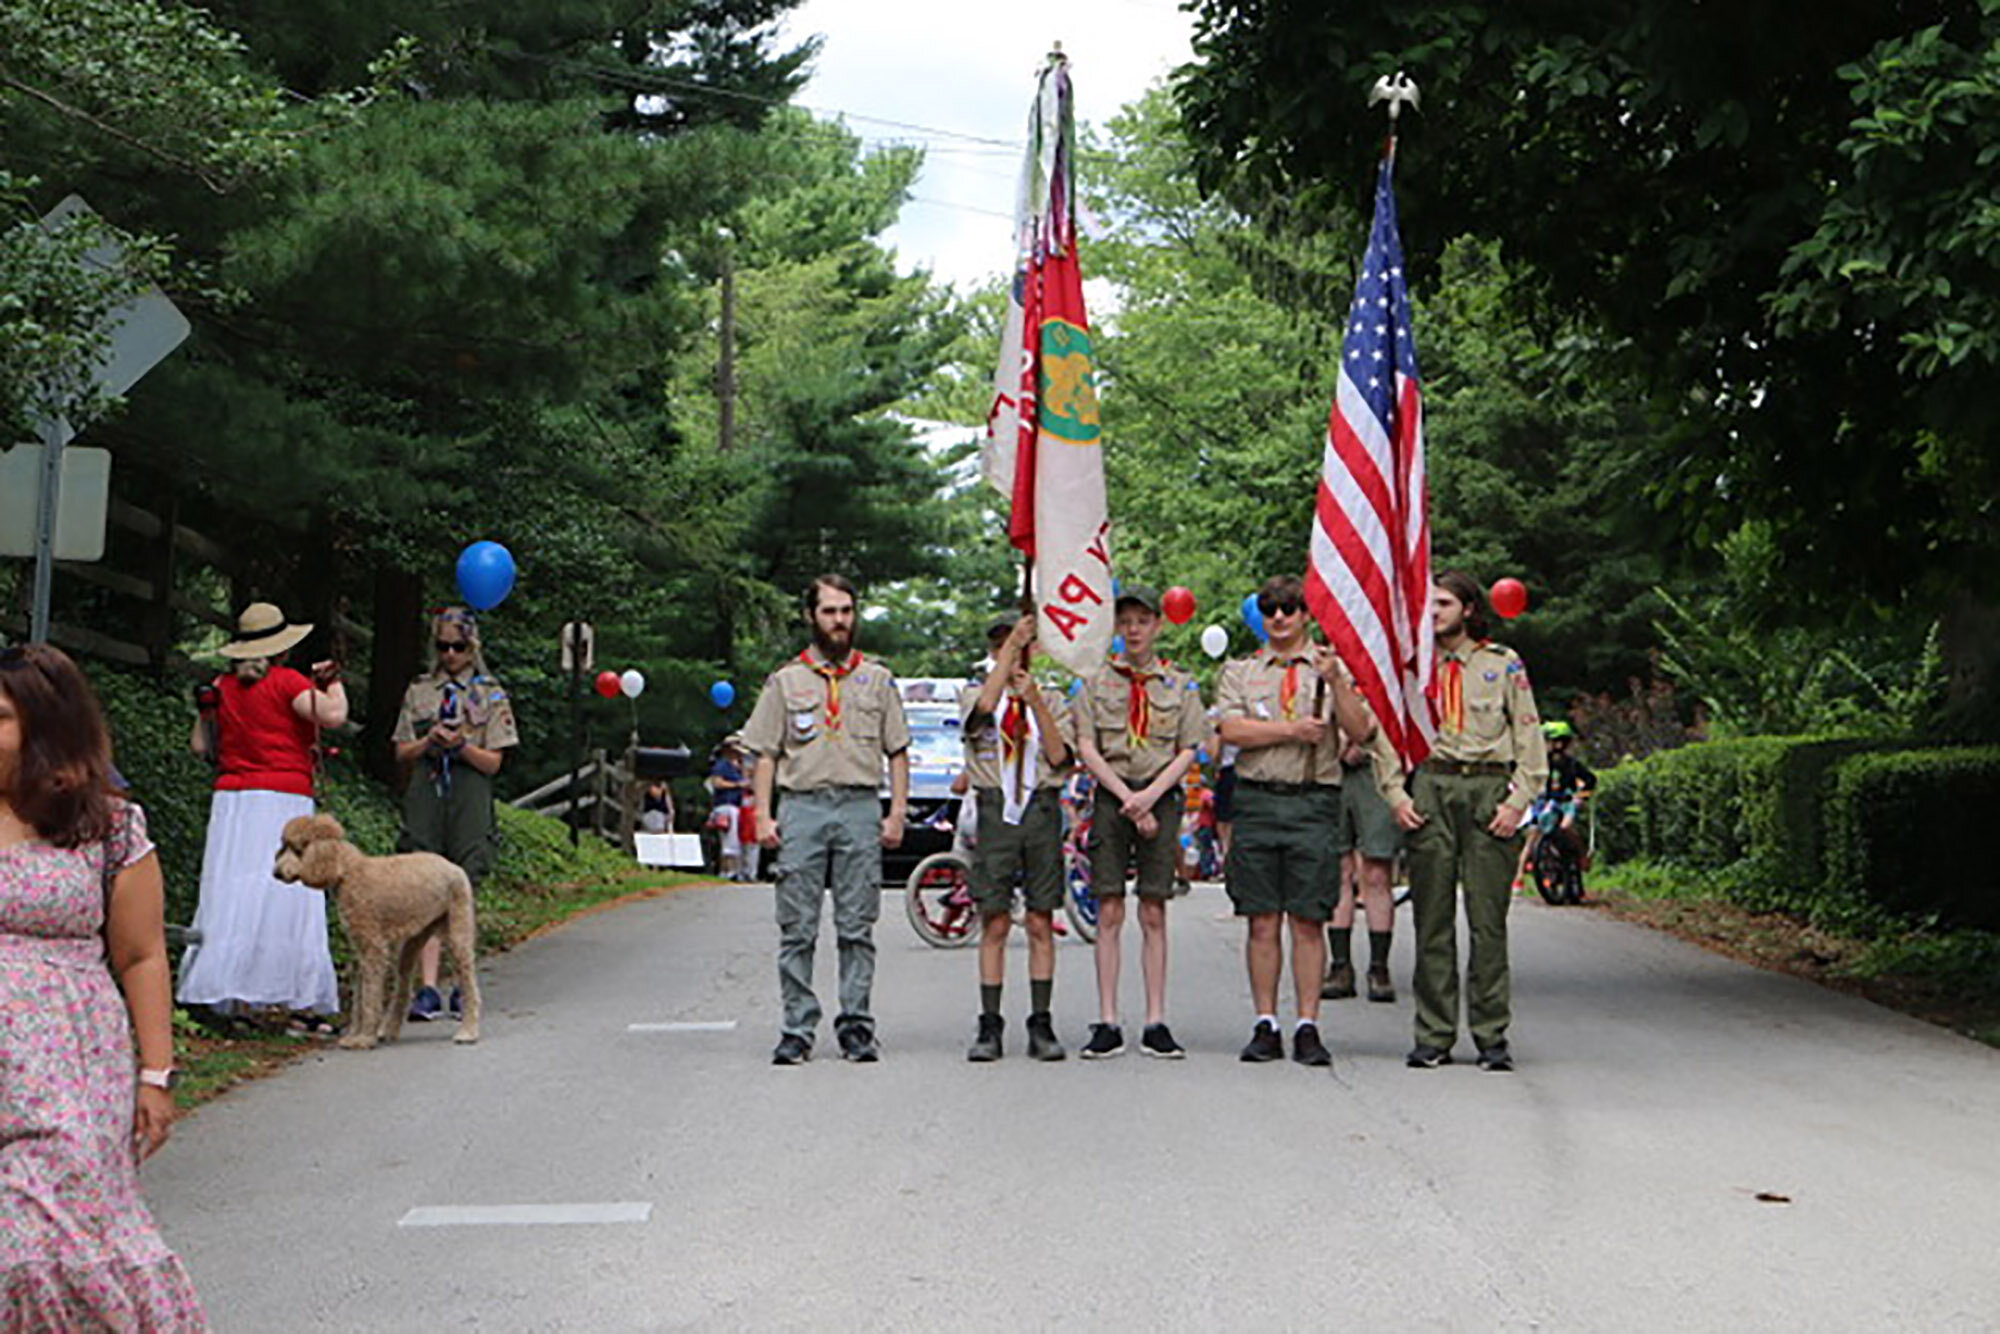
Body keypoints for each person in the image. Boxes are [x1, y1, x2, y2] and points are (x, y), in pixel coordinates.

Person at [0, 643, 209, 1328]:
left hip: (66, 1064)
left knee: (39, 1240)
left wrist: (156, 1074)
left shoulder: (105, 825)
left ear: (46, 728)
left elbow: (143, 955)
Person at [1378, 572, 1549, 1072]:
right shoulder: (1413, 668)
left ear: (1470, 609)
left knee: (1487, 922)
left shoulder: (1502, 663)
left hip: (1489, 789)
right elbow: (1388, 733)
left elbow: (1529, 735)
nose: (1432, 613)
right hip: (1432, 784)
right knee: (1431, 919)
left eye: (1444, 603)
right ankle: (1433, 1034)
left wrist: (1519, 800)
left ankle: (1491, 1034)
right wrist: (1394, 792)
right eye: (1428, 605)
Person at [745, 574, 909, 1065]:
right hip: (804, 807)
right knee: (797, 926)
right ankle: (797, 1027)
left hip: (859, 806)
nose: (839, 621)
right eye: (829, 611)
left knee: (857, 925)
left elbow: (897, 751)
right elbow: (765, 754)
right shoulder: (786, 681)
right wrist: (762, 814)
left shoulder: (877, 679)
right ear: (810, 617)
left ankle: (857, 1026)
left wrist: (896, 812)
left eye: (846, 611)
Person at [1216, 575, 1376, 1067]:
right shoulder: (1241, 672)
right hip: (1258, 799)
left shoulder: (1330, 668)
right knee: (1262, 919)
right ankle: (1266, 1023)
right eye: (1270, 609)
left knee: (1309, 919)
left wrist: (1335, 682)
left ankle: (1308, 1024)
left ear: (1305, 614)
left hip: (1313, 802)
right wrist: (1290, 730)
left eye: (1288, 608)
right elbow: (1231, 729)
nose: (1279, 617)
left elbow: (1361, 729)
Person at [176, 602, 344, 1026]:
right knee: (285, 892)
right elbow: (334, 716)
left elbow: (201, 747)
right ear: (282, 649)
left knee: (231, 891)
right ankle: (293, 997)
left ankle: (223, 991)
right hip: (282, 798)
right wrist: (333, 683)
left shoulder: (221, 686)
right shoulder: (288, 683)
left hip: (233, 800)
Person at [1070, 586, 1205, 1060]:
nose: (1133, 630)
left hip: (1159, 795)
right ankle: (1107, 1018)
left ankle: (1155, 1019)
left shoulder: (1178, 684)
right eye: (1125, 621)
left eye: (1142, 621)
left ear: (1158, 625)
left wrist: (1148, 796)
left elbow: (1189, 748)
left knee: (1153, 909)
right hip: (1112, 796)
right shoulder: (1094, 681)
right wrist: (1128, 798)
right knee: (1108, 908)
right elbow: (1086, 745)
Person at [392, 607, 517, 1022]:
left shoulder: (491, 693)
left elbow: (495, 762)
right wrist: (430, 741)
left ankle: (464, 983)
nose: (450, 654)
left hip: (469, 791)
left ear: (472, 647)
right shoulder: (420, 690)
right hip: (427, 788)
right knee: (424, 886)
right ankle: (427, 988)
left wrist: (461, 746)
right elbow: (400, 752)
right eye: (443, 646)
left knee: (464, 885)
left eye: (458, 647)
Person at [960, 617, 1072, 1062]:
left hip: (1040, 807)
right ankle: (990, 1024)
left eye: (1022, 647)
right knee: (996, 921)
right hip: (995, 806)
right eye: (1002, 646)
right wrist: (1007, 659)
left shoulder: (1053, 697)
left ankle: (1040, 1022)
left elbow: (1061, 755)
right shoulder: (977, 693)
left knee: (1041, 919)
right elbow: (981, 715)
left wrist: (1036, 703)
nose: (1011, 654)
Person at [1325, 734, 1403, 1004]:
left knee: (1377, 871)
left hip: (1376, 764)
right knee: (1337, 868)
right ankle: (1340, 965)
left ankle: (1379, 967)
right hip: (1328, 766)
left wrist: (1361, 741)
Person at [1518, 720, 1597, 888]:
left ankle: (1582, 856)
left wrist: (1581, 795)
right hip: (1546, 803)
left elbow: (1590, 779)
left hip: (1565, 802)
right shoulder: (1541, 762)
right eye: (1551, 741)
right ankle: (1521, 874)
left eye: (1559, 741)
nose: (1555, 746)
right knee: (1534, 832)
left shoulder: (1571, 764)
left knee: (1566, 828)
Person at [706, 735, 751, 881]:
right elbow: (716, 783)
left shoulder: (735, 767)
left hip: (734, 806)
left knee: (733, 841)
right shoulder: (722, 765)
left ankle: (733, 870)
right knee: (729, 841)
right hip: (726, 805)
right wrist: (737, 785)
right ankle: (727, 871)